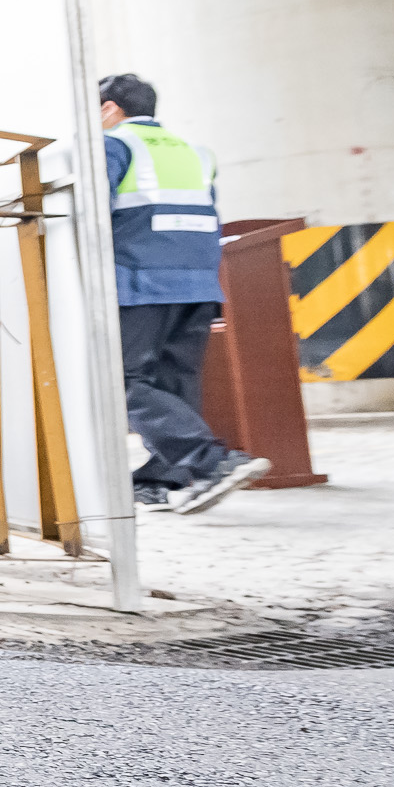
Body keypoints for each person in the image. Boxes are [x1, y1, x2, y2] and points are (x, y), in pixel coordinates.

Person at [98, 73, 269, 514]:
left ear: (109, 109)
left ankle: (211, 462)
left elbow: (90, 213)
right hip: (196, 284)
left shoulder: (115, 145)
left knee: (121, 382)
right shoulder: (197, 153)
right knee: (173, 382)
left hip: (140, 283)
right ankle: (160, 479)